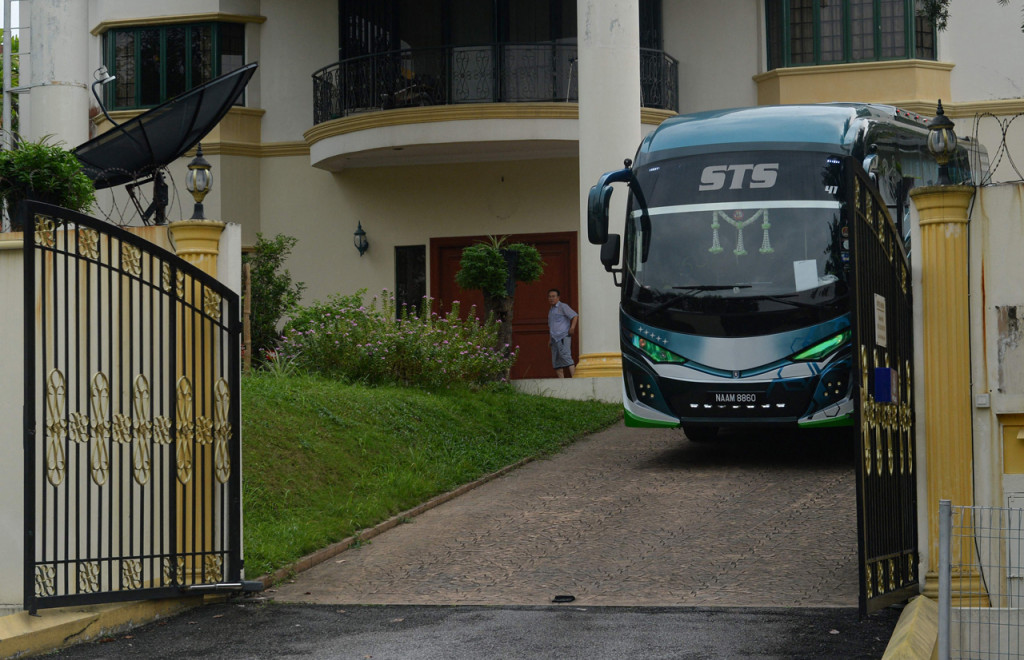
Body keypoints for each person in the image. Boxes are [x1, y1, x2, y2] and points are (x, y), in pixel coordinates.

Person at [547, 288, 578, 378]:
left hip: (563, 336)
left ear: (558, 297)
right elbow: (551, 325)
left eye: (553, 296)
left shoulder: (563, 306)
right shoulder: (551, 310)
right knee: (556, 360)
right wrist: (550, 339)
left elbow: (575, 315)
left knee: (566, 357)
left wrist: (572, 327)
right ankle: (562, 381)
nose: (551, 298)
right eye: (549, 297)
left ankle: (575, 379)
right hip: (554, 338)